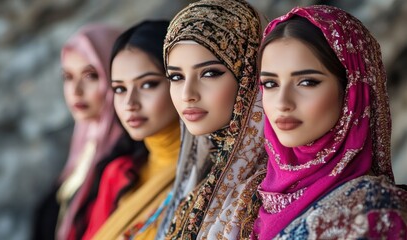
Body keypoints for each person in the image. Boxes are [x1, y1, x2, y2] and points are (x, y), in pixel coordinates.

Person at [252, 5, 407, 239]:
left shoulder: (372, 211)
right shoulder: (258, 195)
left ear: (351, 91)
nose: (282, 103)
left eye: (306, 82)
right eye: (271, 84)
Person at [162, 0, 268, 239]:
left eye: (210, 73)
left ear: (249, 76)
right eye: (176, 76)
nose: (187, 94)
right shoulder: (200, 180)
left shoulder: (269, 192)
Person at [32, 24, 147, 240]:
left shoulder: (126, 159)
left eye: (90, 76)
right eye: (68, 76)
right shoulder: (83, 148)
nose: (75, 91)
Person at [90, 20, 181, 240]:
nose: (130, 102)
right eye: (120, 89)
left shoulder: (210, 175)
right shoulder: (124, 173)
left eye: (147, 84)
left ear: (180, 82)